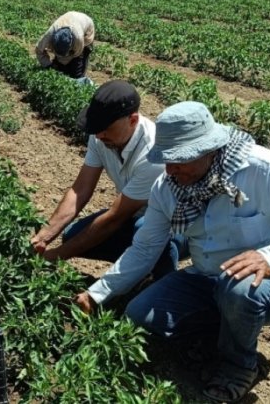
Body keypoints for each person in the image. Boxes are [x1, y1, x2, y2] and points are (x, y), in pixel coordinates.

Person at [74, 101, 270, 403]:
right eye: (166, 160)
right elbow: (144, 249)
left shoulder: (261, 169)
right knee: (139, 315)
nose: (170, 169)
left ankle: (239, 366)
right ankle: (216, 335)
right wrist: (98, 292)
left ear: (208, 149)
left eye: (179, 160)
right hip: (207, 277)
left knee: (239, 289)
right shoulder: (168, 187)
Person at [31, 80, 180, 279]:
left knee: (144, 229)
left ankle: (159, 277)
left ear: (133, 120)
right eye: (97, 128)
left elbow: (115, 218)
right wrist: (44, 235)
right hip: (132, 214)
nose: (99, 135)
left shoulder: (152, 155)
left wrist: (57, 255)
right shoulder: (101, 136)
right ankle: (136, 265)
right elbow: (80, 189)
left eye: (106, 128)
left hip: (174, 226)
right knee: (72, 236)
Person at [35, 11, 95, 84]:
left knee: (77, 69)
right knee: (60, 67)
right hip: (70, 19)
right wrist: (48, 65)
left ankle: (78, 80)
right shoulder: (49, 34)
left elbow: (77, 53)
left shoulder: (78, 39)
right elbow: (39, 50)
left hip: (87, 28)